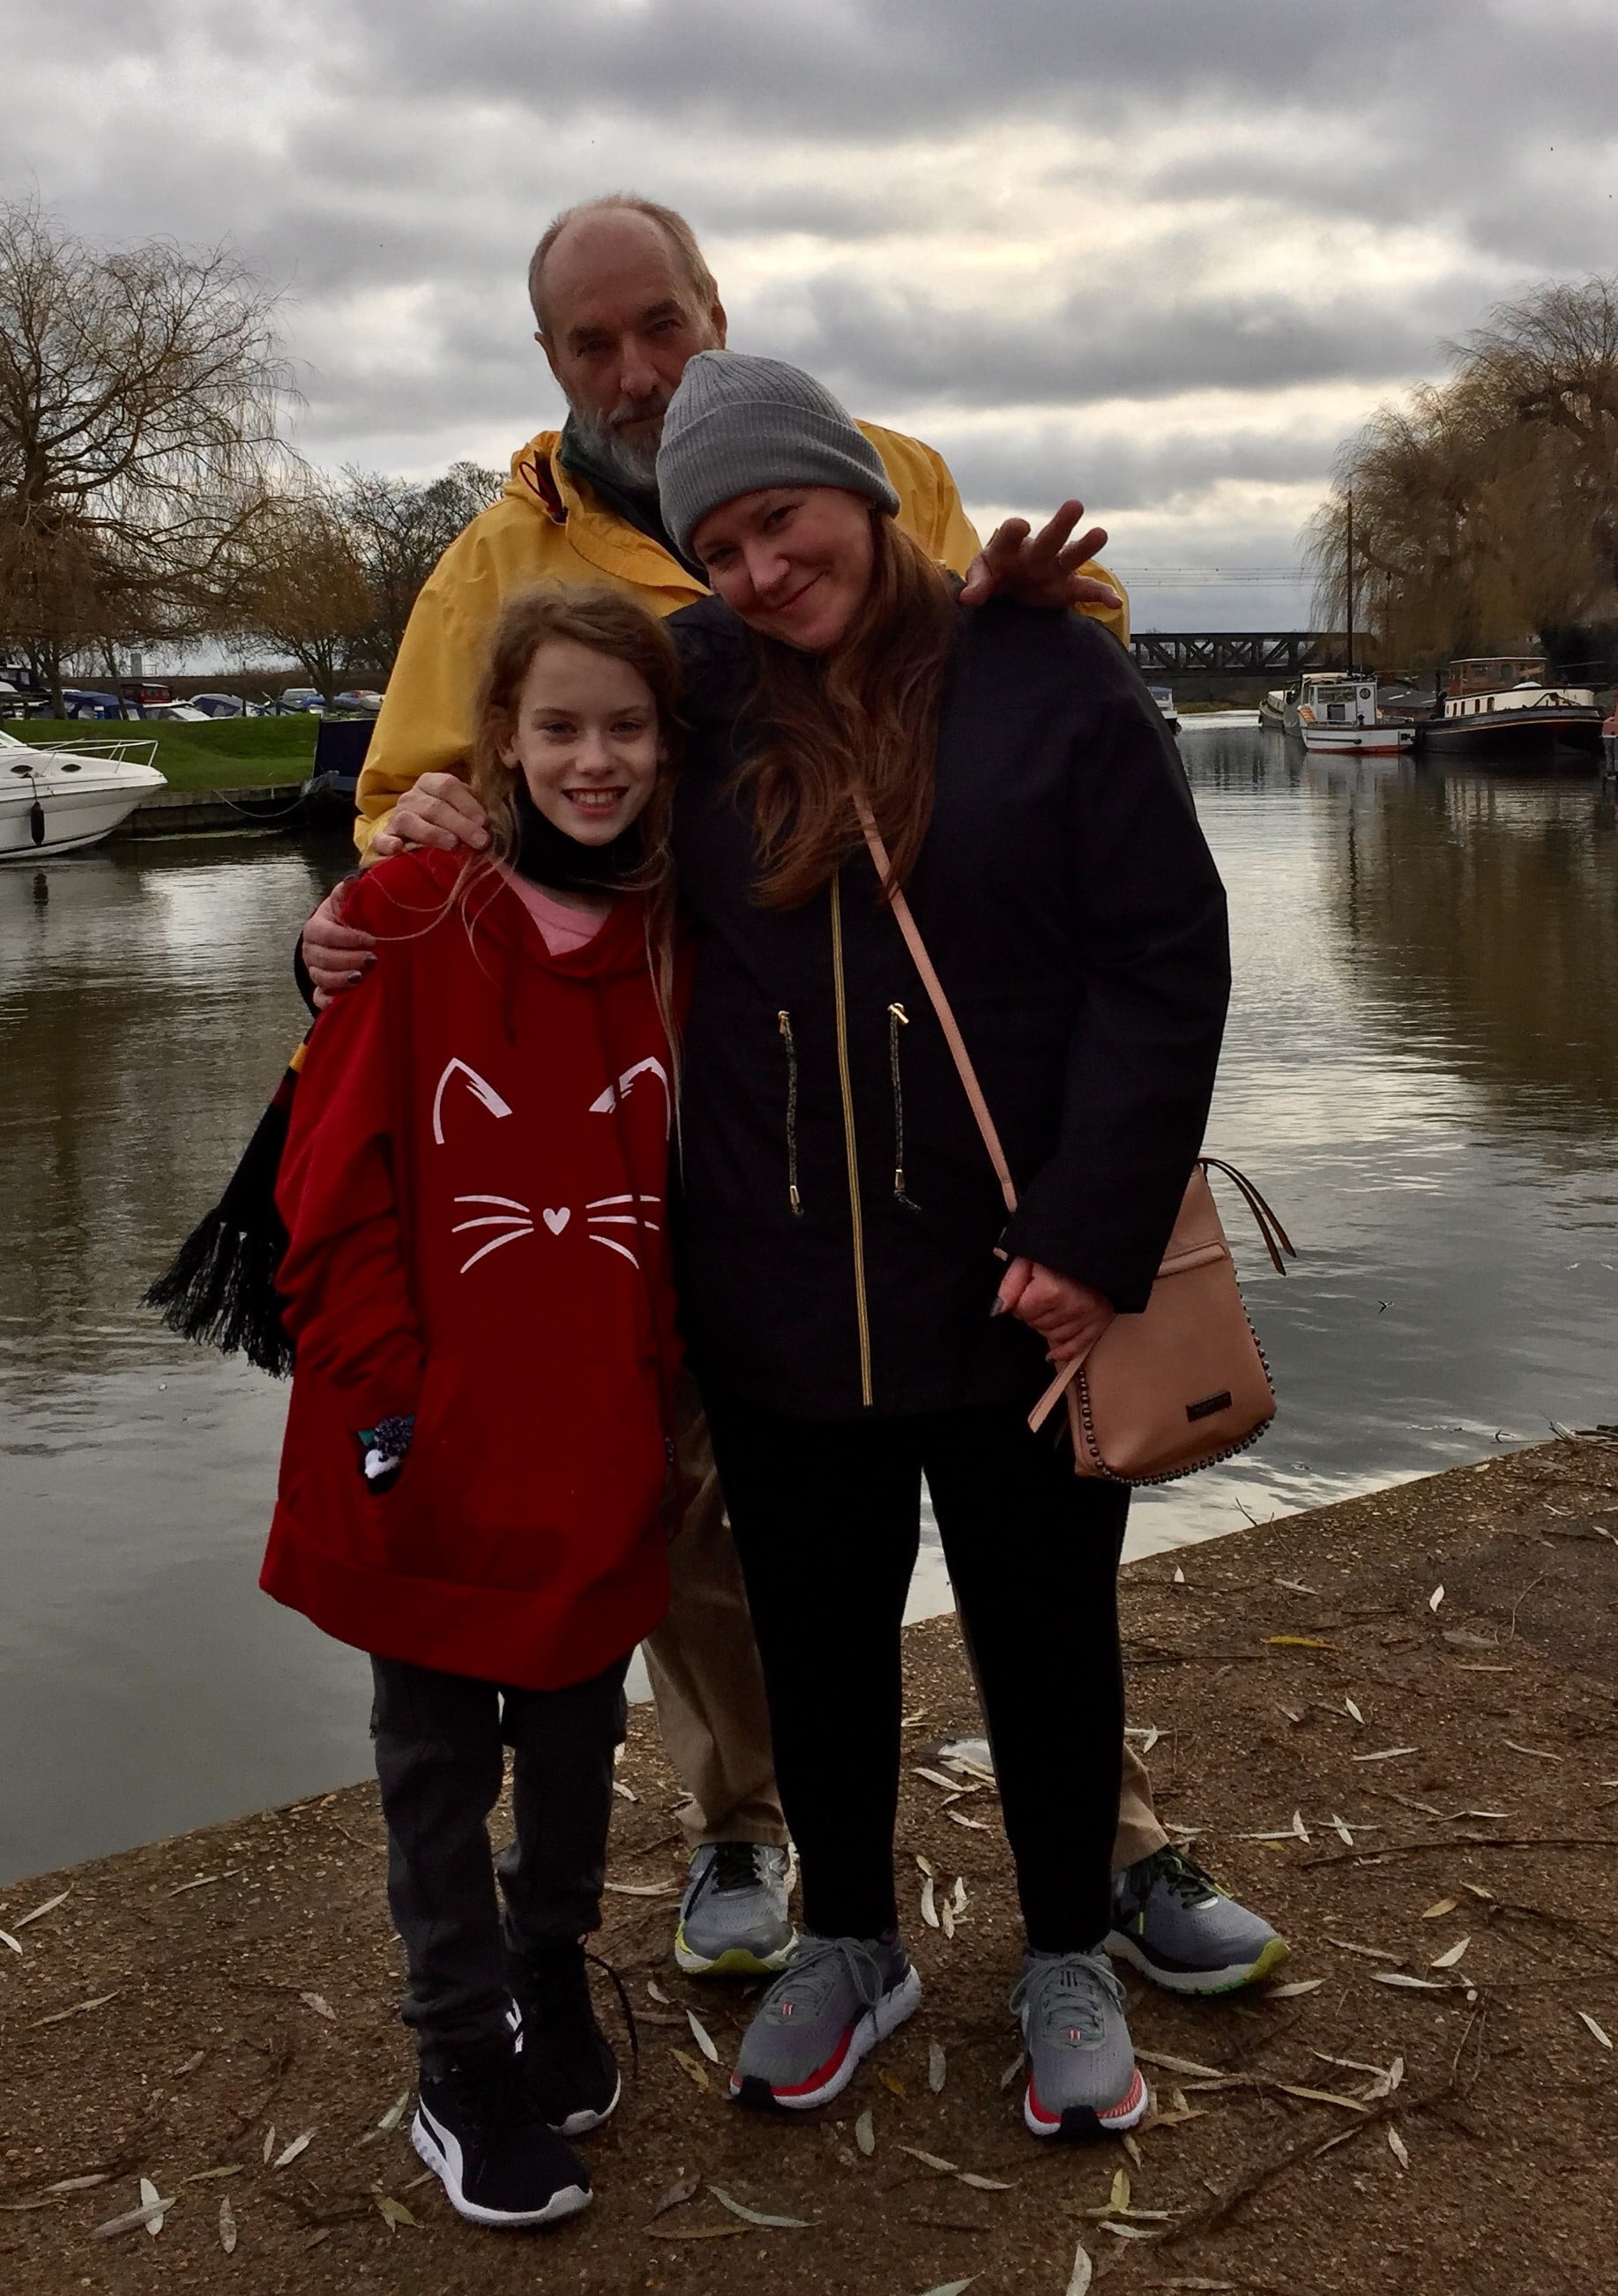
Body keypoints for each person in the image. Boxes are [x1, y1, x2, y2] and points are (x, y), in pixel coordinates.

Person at [301, 192, 1286, 2001]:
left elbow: (1040, 690)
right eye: (592, 343)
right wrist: (391, 881)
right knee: (715, 1546)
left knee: (1036, 1553)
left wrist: (1010, 604)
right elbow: (439, 806)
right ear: (549, 363)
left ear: (717, 311)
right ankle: (765, 1845)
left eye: (659, 323)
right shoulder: (487, 568)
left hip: (958, 1162)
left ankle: (1103, 1858)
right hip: (691, 1154)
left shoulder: (888, 471)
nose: (635, 367)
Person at [651, 348, 1231, 2137]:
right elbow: (546, 779)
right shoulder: (691, 690)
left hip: (1017, 1291)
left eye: (783, 517)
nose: (761, 566)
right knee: (814, 1645)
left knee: (1045, 1631)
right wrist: (407, 845)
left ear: (866, 494)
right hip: (774, 1286)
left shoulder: (1048, 671)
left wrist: (1092, 1232)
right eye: (722, 544)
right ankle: (849, 1939)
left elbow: (1164, 959)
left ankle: (1067, 1944)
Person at [262, 586, 689, 2226]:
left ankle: (549, 1966)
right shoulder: (416, 912)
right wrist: (385, 1408)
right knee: (435, 1754)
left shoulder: (673, 931)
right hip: (429, 1431)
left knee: (578, 1733)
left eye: (628, 727)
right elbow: (334, 1189)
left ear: (668, 744)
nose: (596, 759)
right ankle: (456, 2052)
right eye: (561, 727)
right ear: (499, 738)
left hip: (598, 1423)